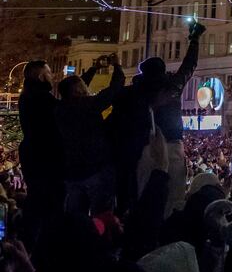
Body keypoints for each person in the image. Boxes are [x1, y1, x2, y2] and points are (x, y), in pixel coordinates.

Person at [136, 21, 205, 217]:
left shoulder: (138, 90)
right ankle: (170, 226)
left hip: (148, 147)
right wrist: (194, 39)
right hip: (173, 146)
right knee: (174, 198)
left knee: (146, 197)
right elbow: (189, 65)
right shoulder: (172, 86)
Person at [55, 56, 125, 216]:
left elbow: (72, 88)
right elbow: (114, 89)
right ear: (78, 91)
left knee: (75, 215)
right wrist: (117, 66)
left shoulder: (60, 109)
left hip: (72, 171)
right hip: (95, 167)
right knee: (101, 214)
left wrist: (94, 69)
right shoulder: (88, 105)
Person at [17, 60, 64, 247]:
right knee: (49, 201)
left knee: (36, 199)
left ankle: (29, 242)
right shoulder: (43, 98)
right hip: (46, 156)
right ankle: (45, 244)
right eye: (49, 72)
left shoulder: (28, 96)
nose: (52, 76)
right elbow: (65, 110)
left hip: (32, 154)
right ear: (40, 76)